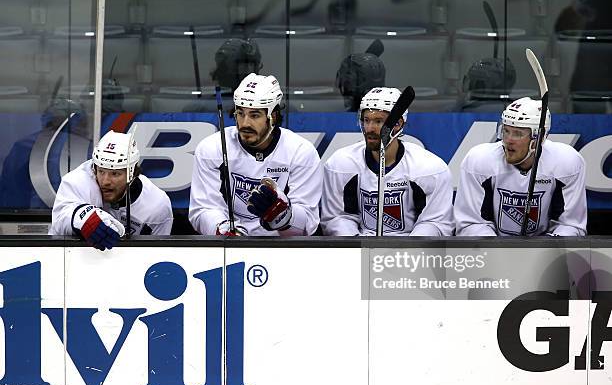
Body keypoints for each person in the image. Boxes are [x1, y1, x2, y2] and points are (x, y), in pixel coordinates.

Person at [189, 73, 321, 236]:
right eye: (240, 113)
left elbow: (308, 224)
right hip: (228, 248)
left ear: (272, 116)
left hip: (281, 249)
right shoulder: (211, 148)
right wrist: (222, 229)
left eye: (255, 115)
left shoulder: (301, 152)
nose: (245, 123)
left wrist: (284, 216)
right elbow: (203, 209)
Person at [320, 87, 454, 236]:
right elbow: (337, 218)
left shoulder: (428, 168)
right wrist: (357, 247)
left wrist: (406, 253)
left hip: (410, 254)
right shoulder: (342, 163)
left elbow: (434, 222)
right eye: (366, 120)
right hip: (360, 250)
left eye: (378, 121)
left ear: (398, 124)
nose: (370, 128)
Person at [454, 97, 587, 236]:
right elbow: (471, 224)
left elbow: (571, 225)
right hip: (493, 251)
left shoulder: (566, 162)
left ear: (539, 138)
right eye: (506, 131)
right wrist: (498, 252)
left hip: (547, 251)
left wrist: (545, 251)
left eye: (517, 133)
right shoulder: (479, 160)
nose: (508, 140)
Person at [49, 130, 173, 249]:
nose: (105, 181)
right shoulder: (78, 180)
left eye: (115, 174)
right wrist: (81, 217)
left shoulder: (157, 204)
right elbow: (59, 223)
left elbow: (157, 253)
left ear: (132, 173)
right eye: (101, 171)